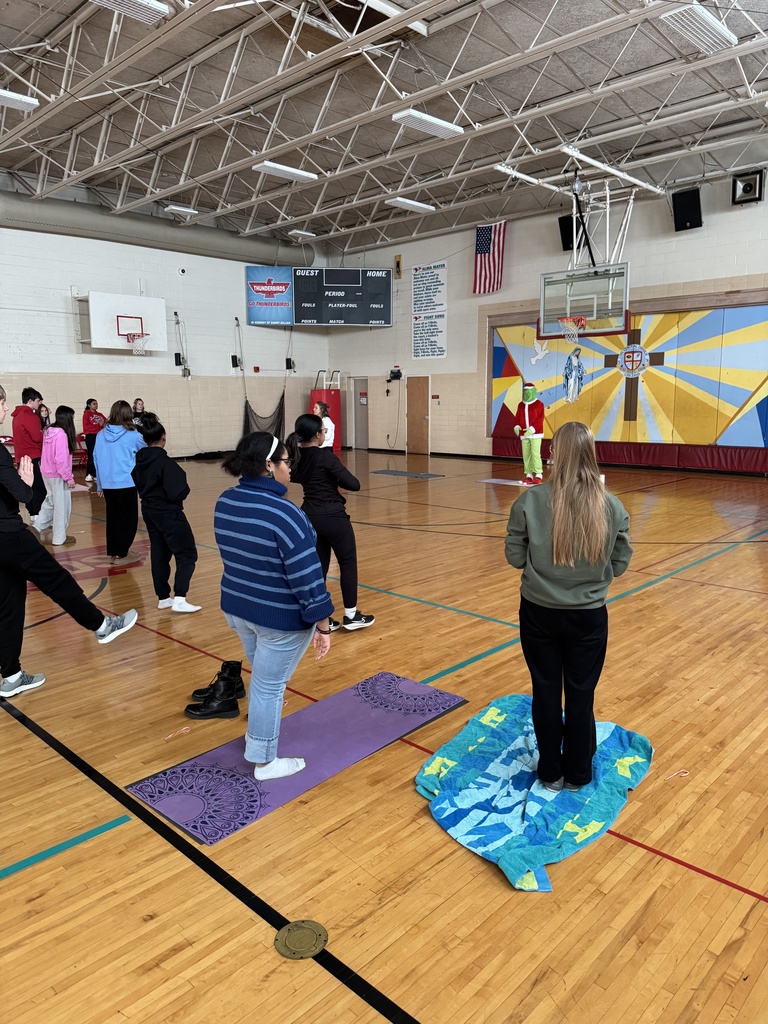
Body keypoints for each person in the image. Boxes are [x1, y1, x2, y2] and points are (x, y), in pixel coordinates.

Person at [194, 432, 333, 782]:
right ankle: (264, 760)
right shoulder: (285, 514)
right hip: (279, 619)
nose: (290, 469)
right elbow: (307, 577)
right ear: (269, 466)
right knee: (270, 687)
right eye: (286, 462)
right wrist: (323, 622)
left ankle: (260, 729)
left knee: (265, 682)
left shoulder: (226, 500)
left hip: (239, 609)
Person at [504, 421, 632, 793]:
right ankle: (579, 772)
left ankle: (550, 772)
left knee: (545, 690)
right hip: (588, 616)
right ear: (592, 455)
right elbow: (621, 563)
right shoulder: (611, 505)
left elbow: (514, 556)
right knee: (581, 692)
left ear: (554, 454)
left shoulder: (530, 500)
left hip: (539, 612)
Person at [0, 384, 138, 698]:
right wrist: (27, 482)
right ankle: (101, 625)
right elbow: (24, 496)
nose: (6, 409)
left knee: (9, 604)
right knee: (56, 579)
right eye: (3, 403)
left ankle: (11, 675)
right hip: (8, 535)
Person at [286, 414, 374, 632]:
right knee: (347, 562)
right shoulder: (325, 457)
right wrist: (332, 478)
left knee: (319, 568)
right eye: (324, 431)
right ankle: (351, 616)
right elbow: (354, 484)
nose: (325, 434)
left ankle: (321, 618)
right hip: (333, 516)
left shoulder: (298, 457)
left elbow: (293, 477)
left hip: (309, 516)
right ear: (317, 435)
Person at [131, 413, 200, 613]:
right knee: (187, 554)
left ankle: (163, 597)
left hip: (149, 511)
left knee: (160, 553)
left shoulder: (140, 461)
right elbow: (178, 491)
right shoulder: (165, 463)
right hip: (169, 513)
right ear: (163, 438)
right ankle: (180, 598)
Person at [94, 400, 145, 563]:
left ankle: (115, 551)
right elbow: (145, 452)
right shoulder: (133, 434)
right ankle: (122, 553)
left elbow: (96, 460)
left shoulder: (101, 434)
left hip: (108, 483)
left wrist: (100, 484)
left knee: (113, 518)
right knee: (128, 520)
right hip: (126, 482)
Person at [35, 405, 77, 547]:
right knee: (61, 506)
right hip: (58, 474)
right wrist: (69, 477)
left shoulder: (49, 431)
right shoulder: (61, 434)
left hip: (46, 472)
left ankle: (36, 528)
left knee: (51, 502)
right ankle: (59, 538)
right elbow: (61, 459)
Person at [11, 386, 46, 518]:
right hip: (34, 456)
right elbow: (37, 437)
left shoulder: (17, 415)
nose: (40, 403)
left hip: (22, 457)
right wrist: (46, 435)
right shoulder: (29, 415)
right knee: (39, 486)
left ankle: (32, 514)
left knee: (29, 486)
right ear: (31, 401)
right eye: (38, 400)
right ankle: (37, 514)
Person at [512, 382, 545, 485]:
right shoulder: (520, 405)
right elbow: (517, 417)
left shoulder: (539, 404)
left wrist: (532, 429)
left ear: (533, 392)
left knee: (535, 454)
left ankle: (538, 474)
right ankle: (529, 474)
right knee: (526, 455)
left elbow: (540, 419)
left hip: (535, 434)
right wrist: (517, 426)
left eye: (528, 392)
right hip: (524, 435)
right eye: (525, 392)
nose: (526, 394)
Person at [82, 398, 107, 482]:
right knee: (91, 454)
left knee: (99, 455)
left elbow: (106, 423)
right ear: (89, 405)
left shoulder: (99, 414)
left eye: (96, 403)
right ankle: (89, 473)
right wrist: (99, 426)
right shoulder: (86, 414)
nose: (96, 405)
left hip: (99, 436)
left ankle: (97, 473)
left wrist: (102, 425)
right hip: (90, 436)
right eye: (94, 404)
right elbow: (86, 427)